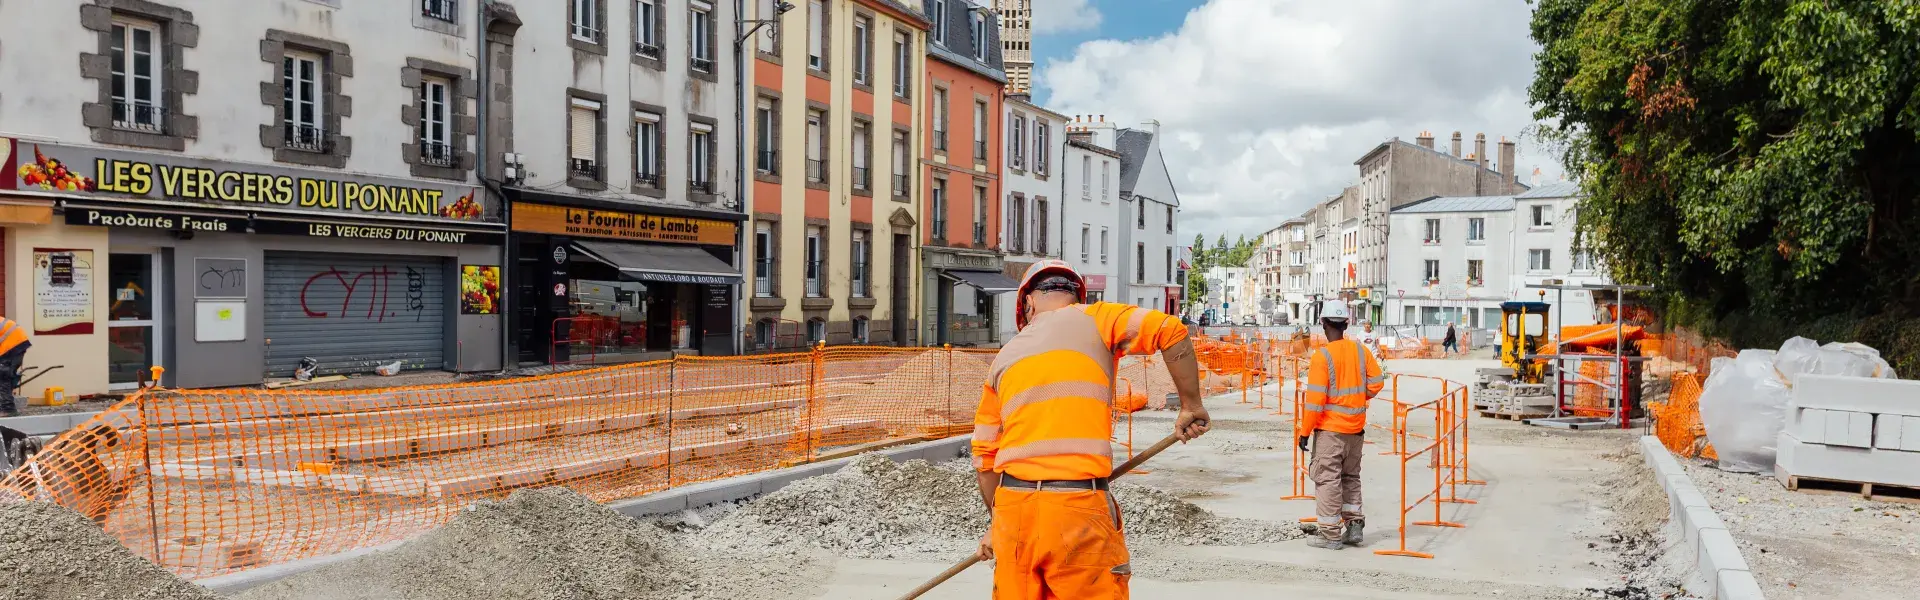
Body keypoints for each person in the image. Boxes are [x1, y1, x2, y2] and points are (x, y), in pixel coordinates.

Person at [972, 259, 1211, 599]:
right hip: (1076, 507)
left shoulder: (1004, 357)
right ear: (1076, 295)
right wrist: (1190, 406)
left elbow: (984, 456)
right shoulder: (1098, 318)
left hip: (1014, 511)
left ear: (1026, 302)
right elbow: (1170, 331)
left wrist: (997, 524)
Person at [1297, 300, 1386, 550]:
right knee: (1350, 476)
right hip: (1355, 428)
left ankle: (1329, 534)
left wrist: (1304, 432)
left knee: (1327, 480)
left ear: (1323, 324)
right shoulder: (1361, 351)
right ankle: (1354, 525)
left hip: (1330, 431)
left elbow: (1315, 402)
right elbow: (1377, 383)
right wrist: (1358, 398)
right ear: (1347, 324)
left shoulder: (1322, 357)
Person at [0, 316, 31, 417]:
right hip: (16, 344)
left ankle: (8, 409)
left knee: (3, 376)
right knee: (5, 376)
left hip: (12, 345)